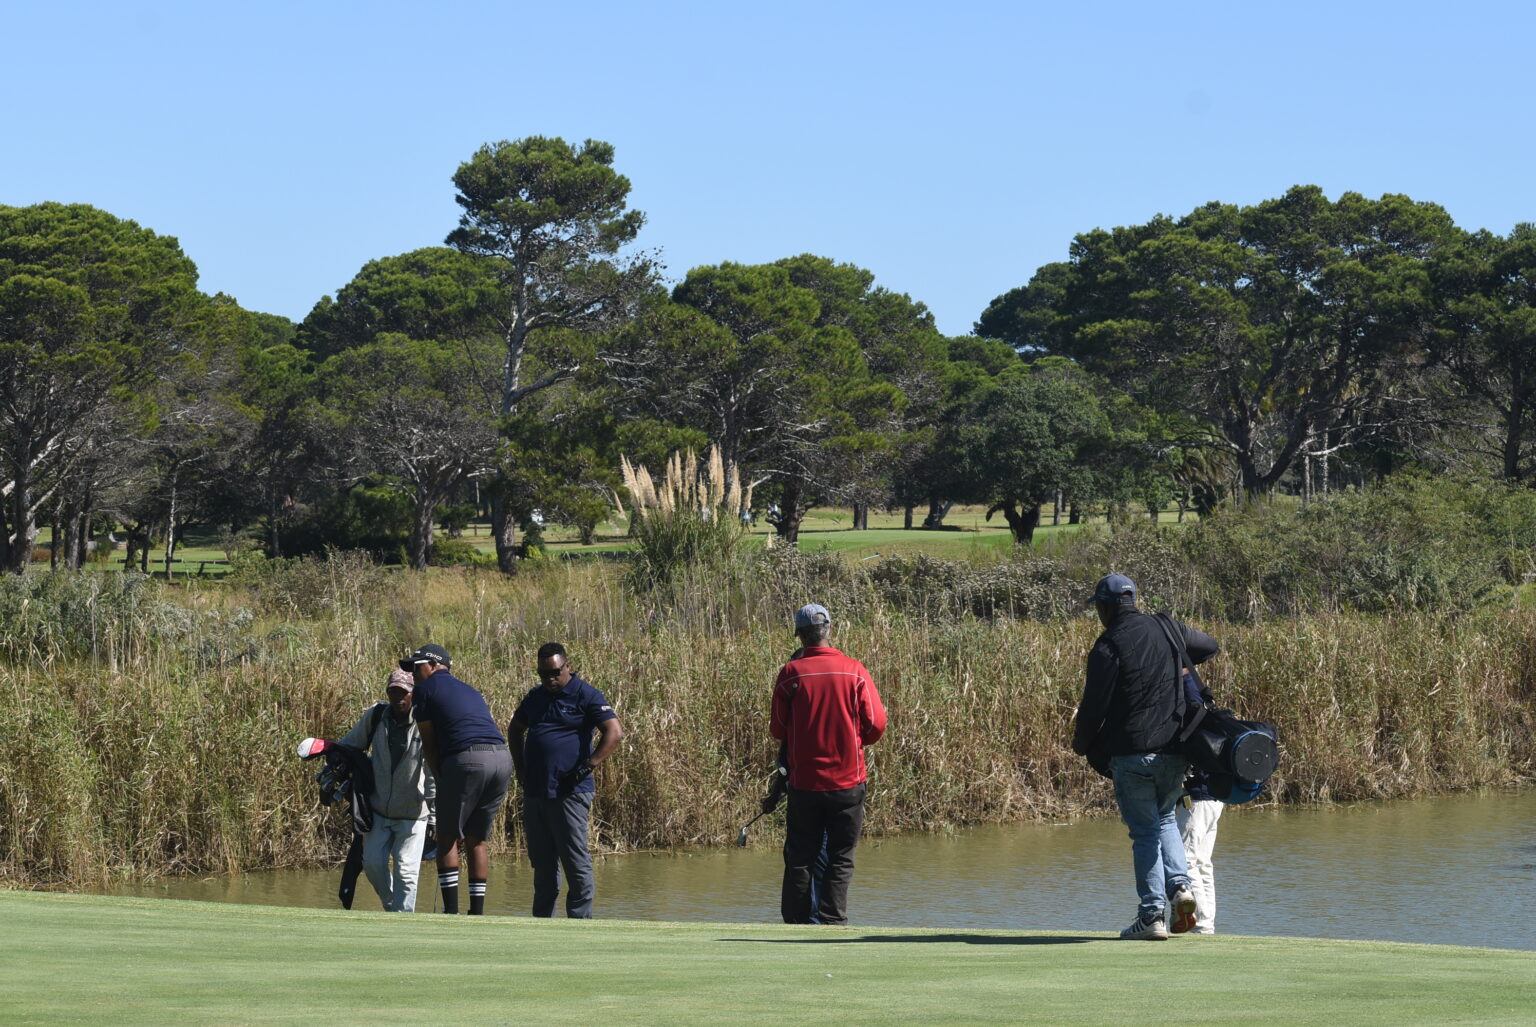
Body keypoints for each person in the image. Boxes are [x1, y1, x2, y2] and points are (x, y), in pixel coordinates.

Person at [1070, 573, 1219, 940]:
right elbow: (1209, 645)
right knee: (1165, 818)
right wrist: (1176, 665)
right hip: (1174, 749)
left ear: (1105, 607)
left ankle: (1152, 914)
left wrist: (1081, 744)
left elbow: (1094, 707)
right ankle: (1181, 887)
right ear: (1133, 600)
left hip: (1133, 754)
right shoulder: (1168, 629)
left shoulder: (1108, 645)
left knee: (1145, 832)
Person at [771, 602, 887, 925]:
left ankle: (795, 926)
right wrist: (854, 740)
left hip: (805, 785)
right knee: (840, 859)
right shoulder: (855, 671)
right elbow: (877, 724)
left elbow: (777, 729)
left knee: (801, 858)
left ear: (801, 636)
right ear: (828, 631)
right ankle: (833, 923)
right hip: (849, 784)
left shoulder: (789, 674)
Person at [508, 642, 624, 918]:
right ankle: (542, 923)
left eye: (555, 672)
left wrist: (589, 765)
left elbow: (614, 732)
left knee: (574, 860)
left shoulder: (586, 695)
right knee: (542, 863)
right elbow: (515, 729)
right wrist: (520, 768)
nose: (550, 679)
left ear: (568, 666)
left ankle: (579, 924)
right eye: (543, 674)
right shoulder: (535, 697)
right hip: (537, 791)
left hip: (570, 791)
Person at [402, 643, 511, 915]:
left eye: (416, 667)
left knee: (447, 836)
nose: (413, 674)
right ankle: (477, 913)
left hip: (467, 760)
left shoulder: (424, 690)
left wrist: (440, 776)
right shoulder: (470, 689)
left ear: (434, 665)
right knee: (476, 839)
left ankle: (451, 912)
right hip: (501, 760)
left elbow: (429, 741)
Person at [338, 668, 436, 912]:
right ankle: (394, 909)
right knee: (371, 864)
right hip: (379, 809)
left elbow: (434, 770)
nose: (398, 698)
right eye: (393, 692)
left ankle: (404, 920)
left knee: (406, 871)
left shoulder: (425, 722)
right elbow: (350, 746)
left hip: (414, 812)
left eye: (403, 692)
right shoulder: (376, 715)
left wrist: (435, 814)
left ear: (413, 694)